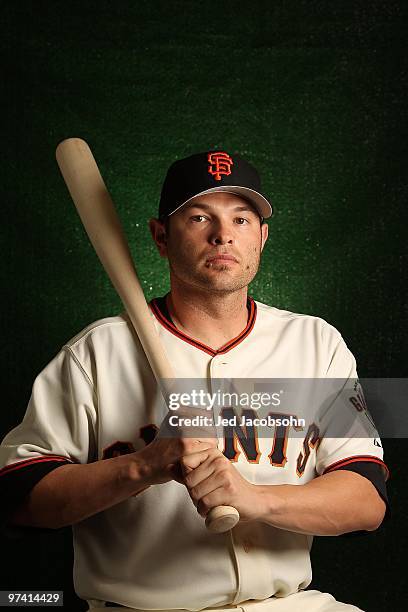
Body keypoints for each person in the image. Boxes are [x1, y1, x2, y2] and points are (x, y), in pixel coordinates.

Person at [0, 150, 389, 612]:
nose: (223, 235)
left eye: (242, 220)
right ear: (161, 237)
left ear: (262, 237)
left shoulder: (317, 342)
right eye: (200, 217)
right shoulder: (94, 353)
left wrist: (255, 499)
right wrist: (144, 466)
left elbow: (367, 499)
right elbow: (18, 498)